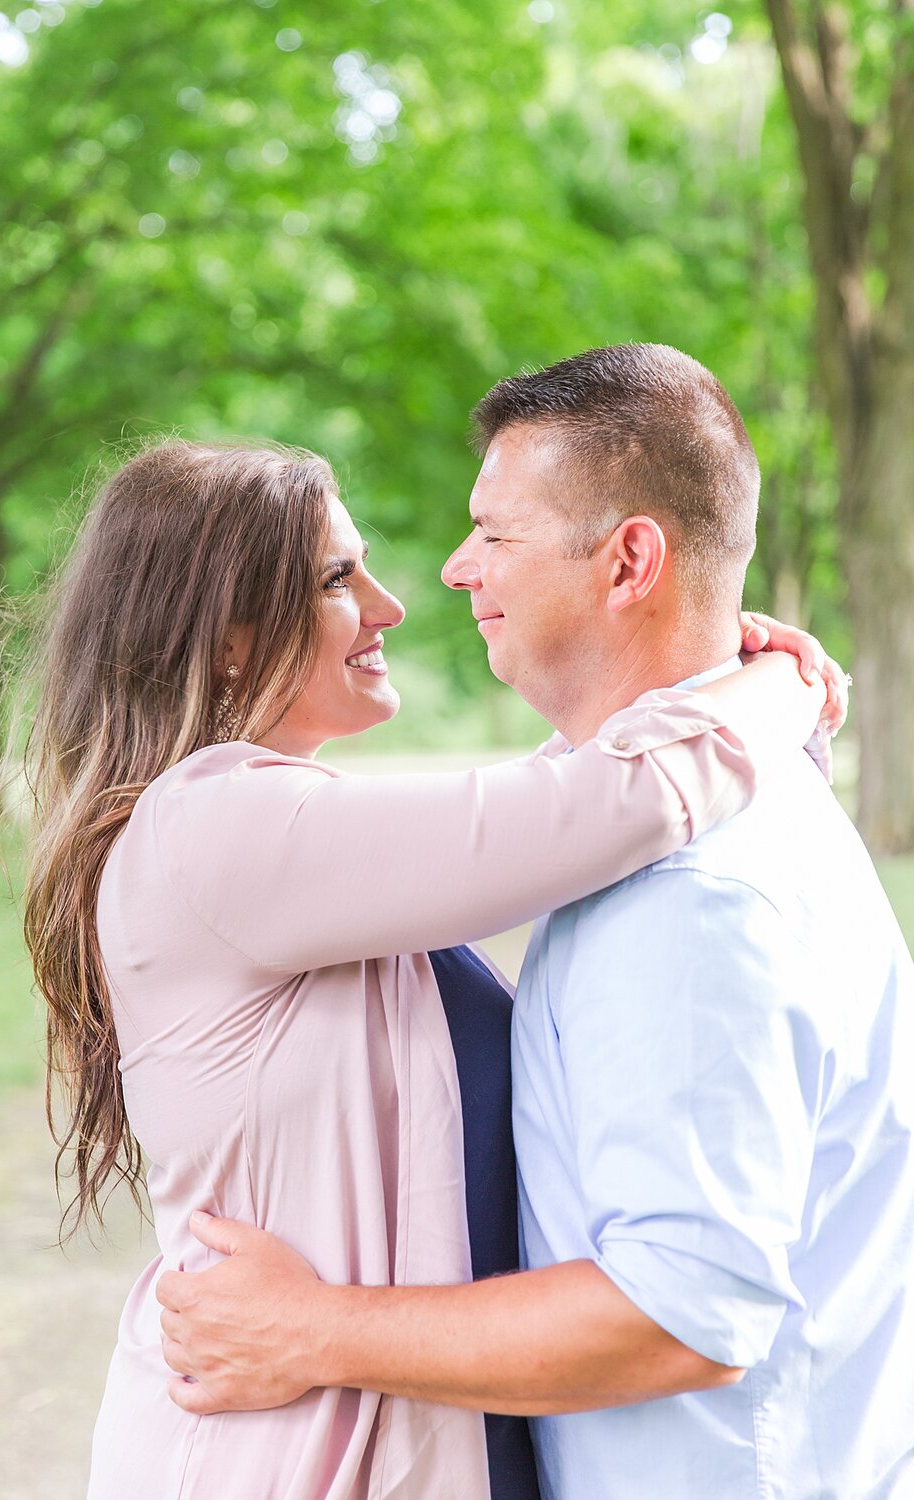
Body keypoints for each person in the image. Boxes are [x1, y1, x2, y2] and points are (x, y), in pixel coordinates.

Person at [156, 347, 913, 1500]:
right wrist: (766, 684)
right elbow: (562, 803)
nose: (454, 572)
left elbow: (679, 1317)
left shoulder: (694, 898)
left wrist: (309, 1328)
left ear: (629, 562)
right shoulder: (626, 822)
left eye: (495, 534)